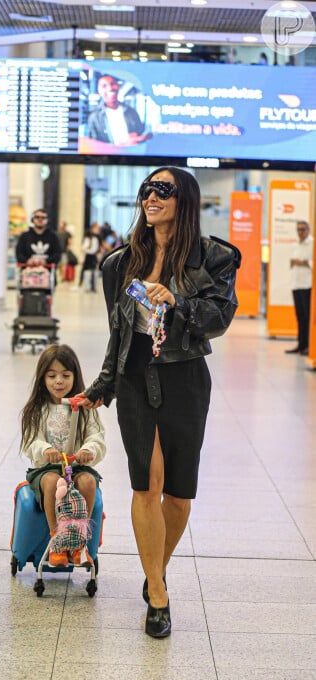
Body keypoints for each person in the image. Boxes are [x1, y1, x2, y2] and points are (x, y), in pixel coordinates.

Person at [79, 167, 240, 639]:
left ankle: (156, 569)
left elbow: (219, 317)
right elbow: (119, 334)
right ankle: (157, 591)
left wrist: (177, 302)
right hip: (134, 379)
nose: (151, 196)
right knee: (145, 485)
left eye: (163, 190)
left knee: (179, 496)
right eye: (147, 189)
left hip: (186, 378)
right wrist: (102, 386)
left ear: (183, 199)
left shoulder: (213, 256)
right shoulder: (119, 263)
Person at [21, 344, 106, 564]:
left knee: (88, 482)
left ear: (75, 376)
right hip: (46, 468)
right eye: (52, 376)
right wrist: (45, 450)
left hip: (77, 466)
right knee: (52, 483)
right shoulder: (37, 409)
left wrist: (89, 450)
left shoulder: (86, 407)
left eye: (65, 375)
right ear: (42, 378)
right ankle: (57, 540)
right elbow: (31, 440)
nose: (59, 381)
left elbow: (96, 436)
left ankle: (79, 542)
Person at [87, 75, 145, 146]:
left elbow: (142, 134)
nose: (110, 88)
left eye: (112, 84)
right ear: (99, 91)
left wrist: (138, 138)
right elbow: (93, 146)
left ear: (118, 86)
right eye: (104, 86)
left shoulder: (131, 112)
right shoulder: (94, 117)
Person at [285, 220, 313, 356]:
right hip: (296, 285)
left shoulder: (312, 244)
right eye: (298, 230)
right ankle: (301, 345)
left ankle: (308, 345)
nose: (300, 232)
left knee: (307, 317)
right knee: (300, 317)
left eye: (303, 229)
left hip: (307, 285)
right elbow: (292, 262)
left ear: (308, 230)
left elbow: (312, 263)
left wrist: (303, 262)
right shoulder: (295, 245)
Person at [80, 223, 102, 292]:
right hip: (87, 257)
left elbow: (96, 248)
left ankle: (94, 287)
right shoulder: (86, 239)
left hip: (94, 256)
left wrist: (89, 251)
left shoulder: (96, 238)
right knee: (87, 272)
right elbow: (83, 248)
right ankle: (87, 287)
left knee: (95, 273)